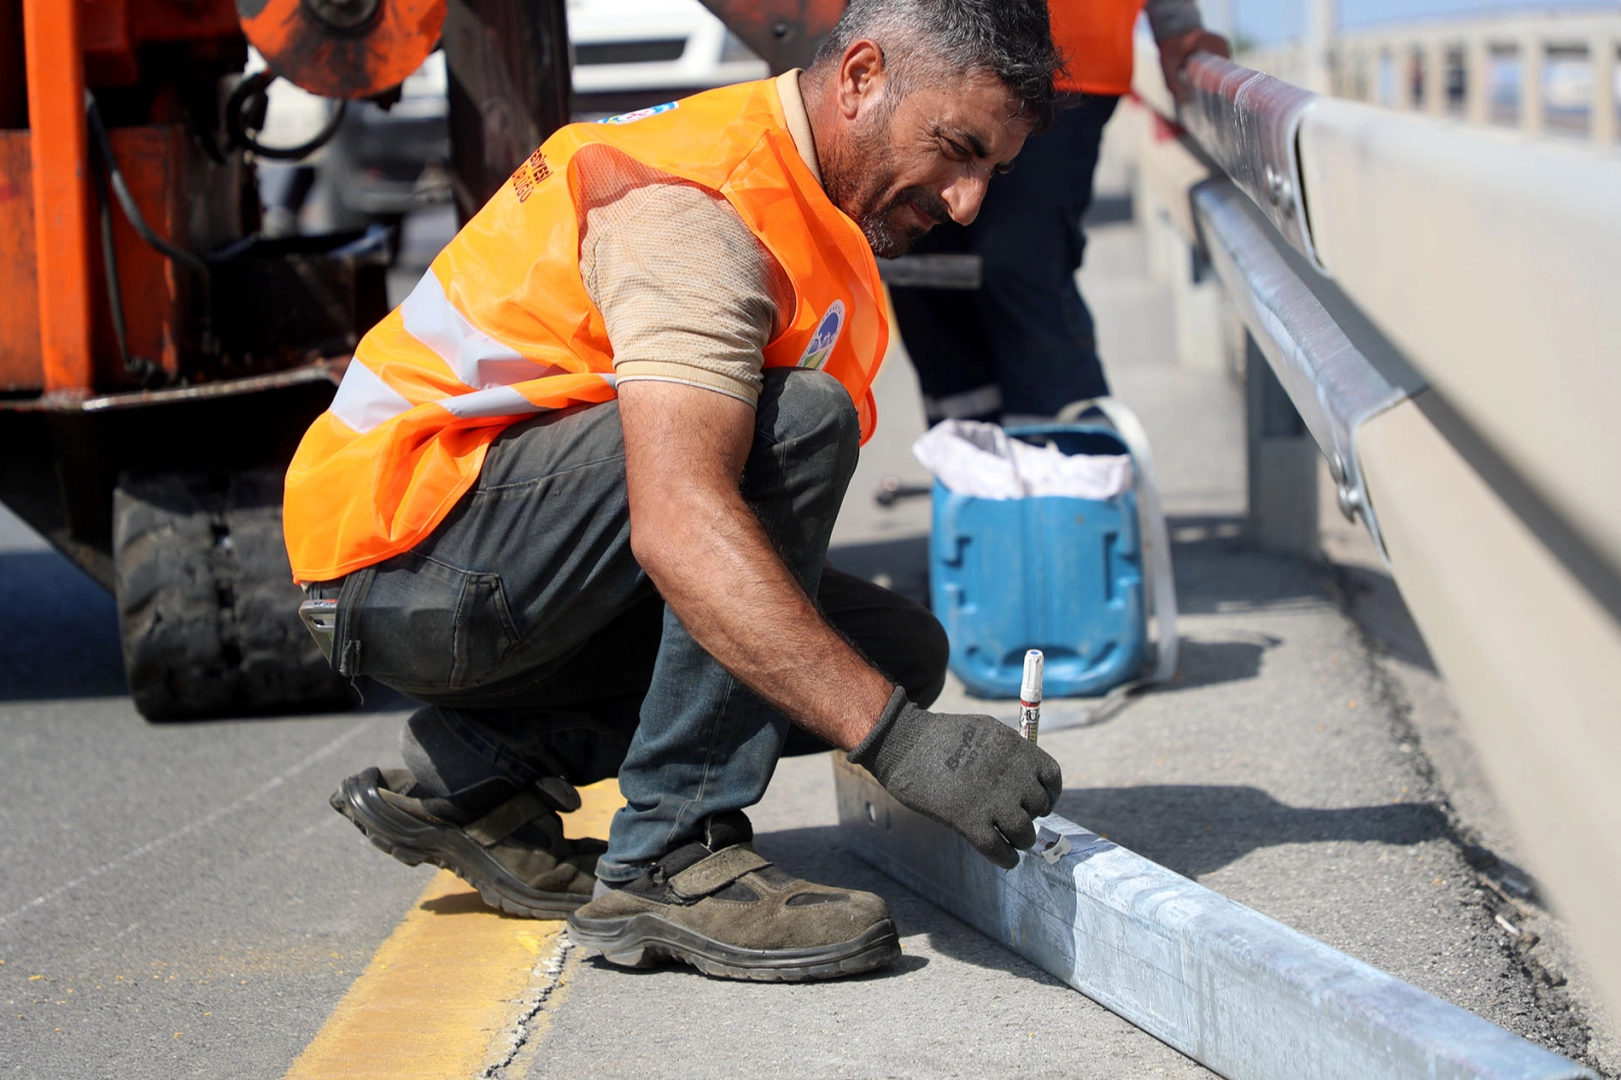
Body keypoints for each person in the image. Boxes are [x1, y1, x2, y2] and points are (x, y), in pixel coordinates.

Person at [284, 0, 1066, 983]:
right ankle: (671, 859)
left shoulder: (808, 200)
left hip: (487, 557)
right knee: (799, 427)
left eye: (991, 168)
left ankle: (473, 771)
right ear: (861, 76)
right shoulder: (700, 208)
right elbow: (680, 523)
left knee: (894, 652)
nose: (966, 202)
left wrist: (879, 705)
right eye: (955, 149)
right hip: (406, 554)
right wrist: (897, 744)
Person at [889, 0, 1230, 426]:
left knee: (1020, 262)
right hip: (922, 43)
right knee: (917, 262)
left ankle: (1071, 462)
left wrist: (1176, 24)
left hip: (1065, 56)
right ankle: (972, 467)